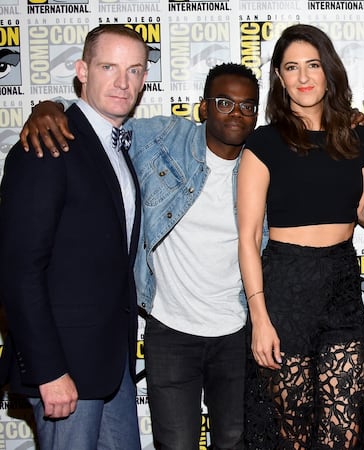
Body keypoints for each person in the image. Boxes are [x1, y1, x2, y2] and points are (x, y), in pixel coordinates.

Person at [18, 62, 265, 450]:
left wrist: (349, 124)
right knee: (176, 443)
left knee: (234, 442)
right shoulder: (163, 138)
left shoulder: (263, 164)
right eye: (224, 102)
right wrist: (50, 106)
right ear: (203, 108)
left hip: (235, 331)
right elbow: (98, 122)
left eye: (248, 106)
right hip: (170, 331)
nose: (236, 113)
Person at [236, 24, 364, 449]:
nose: (303, 77)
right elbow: (247, 238)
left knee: (342, 428)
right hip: (284, 288)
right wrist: (260, 319)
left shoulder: (357, 134)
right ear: (279, 79)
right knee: (293, 433)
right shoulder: (263, 143)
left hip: (340, 285)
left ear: (329, 70)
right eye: (291, 68)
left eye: (313, 65)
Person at [0, 24, 147, 449]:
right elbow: (17, 269)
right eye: (109, 67)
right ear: (82, 70)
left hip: (109, 360)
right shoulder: (47, 145)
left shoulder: (114, 146)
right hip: (63, 365)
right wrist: (47, 370)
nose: (123, 82)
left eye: (134, 70)